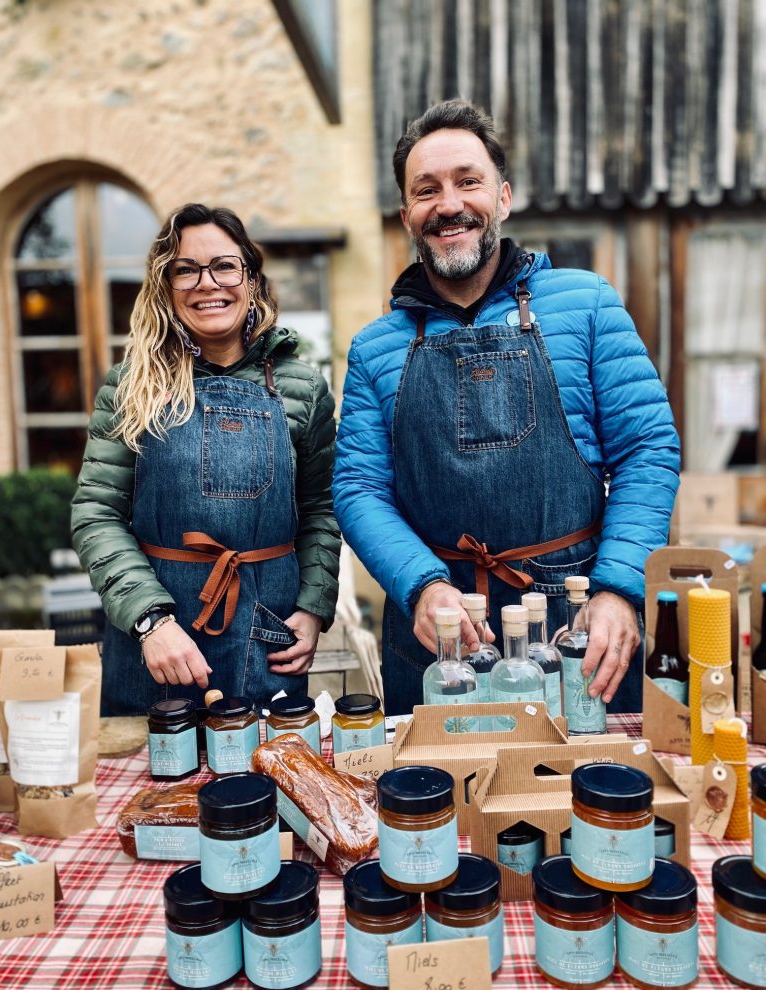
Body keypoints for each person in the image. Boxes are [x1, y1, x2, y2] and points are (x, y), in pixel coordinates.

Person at [333, 100, 680, 716]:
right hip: (437, 634)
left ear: (503, 197)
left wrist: (619, 590)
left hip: (575, 628)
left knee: (592, 801)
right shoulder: (374, 348)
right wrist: (420, 585)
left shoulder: (588, 304)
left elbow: (647, 451)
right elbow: (359, 489)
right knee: (440, 807)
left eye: (468, 181)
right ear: (406, 214)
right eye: (426, 190)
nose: (449, 204)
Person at [72, 203, 340, 715]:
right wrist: (151, 621)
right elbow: (96, 514)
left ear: (251, 279)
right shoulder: (132, 387)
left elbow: (322, 509)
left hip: (268, 633)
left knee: (264, 781)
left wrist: (312, 607)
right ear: (166, 287)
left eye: (224, 265)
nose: (207, 283)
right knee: (150, 791)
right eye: (185, 270)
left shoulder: (301, 388)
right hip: (155, 643)